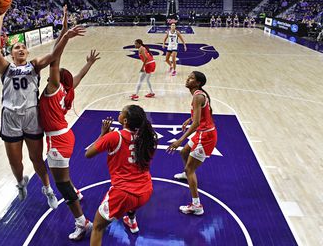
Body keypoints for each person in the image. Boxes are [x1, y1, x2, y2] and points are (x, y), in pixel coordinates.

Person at [0, 6, 84, 209]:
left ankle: (47, 189)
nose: (21, 49)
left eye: (23, 47)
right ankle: (20, 182)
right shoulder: (5, 68)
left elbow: (53, 56)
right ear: (12, 53)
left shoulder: (34, 65)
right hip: (10, 118)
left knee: (36, 158)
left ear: (28, 52)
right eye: (17, 48)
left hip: (32, 117)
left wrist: (65, 36)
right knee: (16, 163)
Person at [39, 46, 100, 239]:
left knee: (62, 184)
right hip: (66, 135)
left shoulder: (53, 89)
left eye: (51, 78)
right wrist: (88, 64)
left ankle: (82, 223)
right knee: (64, 176)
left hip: (57, 141)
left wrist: (63, 38)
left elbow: (54, 63)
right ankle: (77, 192)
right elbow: (79, 76)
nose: (48, 80)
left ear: (56, 80)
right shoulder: (68, 89)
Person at [86, 105, 157, 245]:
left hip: (123, 194)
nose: (118, 113)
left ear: (125, 121)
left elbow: (88, 153)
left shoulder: (114, 136)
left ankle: (131, 220)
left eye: (121, 112)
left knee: (98, 227)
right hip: (145, 191)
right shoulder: (147, 138)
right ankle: (132, 222)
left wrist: (103, 135)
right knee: (132, 200)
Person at [167, 71, 217, 216]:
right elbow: (204, 114)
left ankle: (196, 205)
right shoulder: (199, 94)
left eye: (192, 78)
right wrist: (190, 119)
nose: (188, 79)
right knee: (184, 152)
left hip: (205, 136)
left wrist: (180, 140)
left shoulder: (198, 96)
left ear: (198, 83)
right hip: (203, 132)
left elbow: (196, 124)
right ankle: (187, 173)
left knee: (190, 169)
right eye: (189, 77)